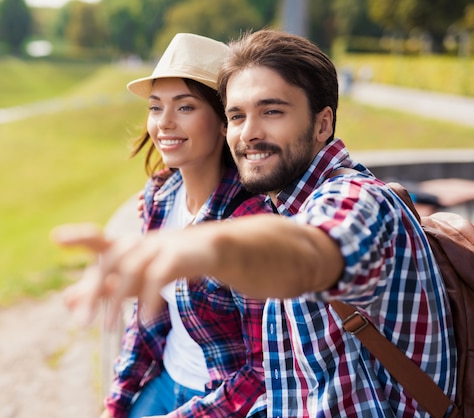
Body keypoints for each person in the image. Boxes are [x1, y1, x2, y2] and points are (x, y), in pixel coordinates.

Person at [55, 28, 458, 417]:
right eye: (237, 115)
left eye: (272, 111)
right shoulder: (280, 204)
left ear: (322, 124)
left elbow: (310, 251)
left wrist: (205, 246)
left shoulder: (357, 199)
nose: (249, 133)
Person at [63, 33, 269, 418]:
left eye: (185, 107)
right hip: (164, 382)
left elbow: (261, 372)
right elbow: (147, 320)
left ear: (225, 120)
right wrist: (117, 402)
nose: (164, 123)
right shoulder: (160, 197)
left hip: (223, 401)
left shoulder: (249, 221)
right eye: (156, 108)